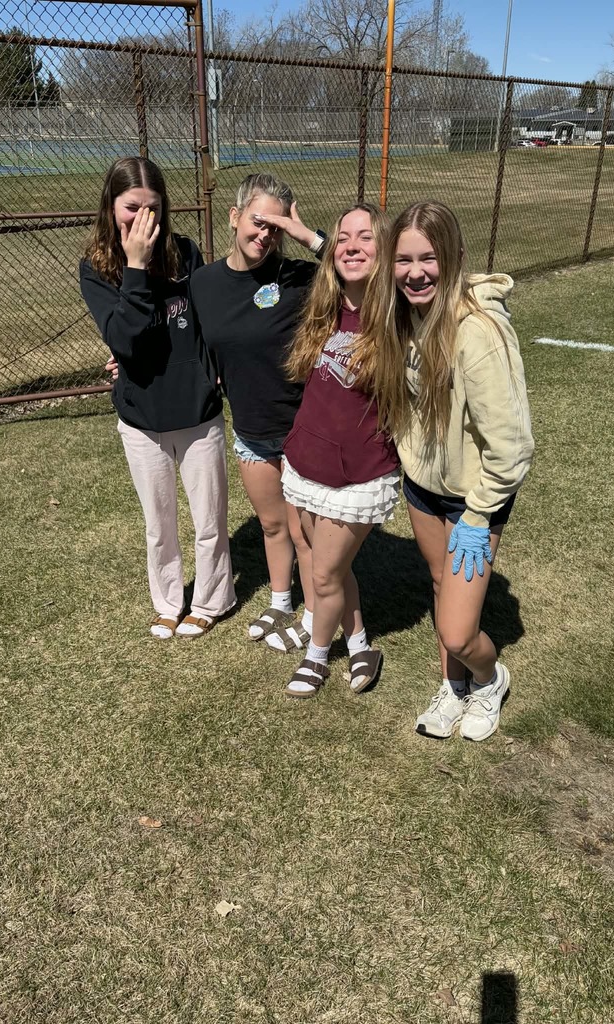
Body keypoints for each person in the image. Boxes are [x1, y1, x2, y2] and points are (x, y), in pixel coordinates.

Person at [362, 200, 533, 740]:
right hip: (423, 490)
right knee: (440, 585)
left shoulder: (477, 333)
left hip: (472, 499)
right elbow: (339, 265)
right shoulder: (403, 315)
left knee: (459, 632)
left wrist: (480, 516)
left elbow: (512, 448)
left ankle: (488, 678)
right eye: (403, 260)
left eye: (429, 258)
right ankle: (453, 688)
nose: (415, 273)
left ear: (455, 256)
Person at [79, 156, 235, 640]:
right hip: (141, 416)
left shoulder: (186, 253)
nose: (143, 220)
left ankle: (212, 599)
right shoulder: (96, 268)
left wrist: (211, 374)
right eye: (131, 208)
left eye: (154, 208)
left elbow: (209, 321)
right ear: (110, 207)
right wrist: (135, 267)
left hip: (195, 410)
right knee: (158, 523)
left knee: (210, 519)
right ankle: (168, 602)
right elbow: (125, 339)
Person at [279, 204, 409, 698]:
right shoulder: (327, 307)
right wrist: (306, 235)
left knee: (324, 571)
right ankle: (359, 643)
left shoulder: (394, 312)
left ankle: (316, 658)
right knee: (329, 563)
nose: (352, 245)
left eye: (366, 238)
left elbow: (432, 286)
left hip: (358, 473)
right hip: (308, 458)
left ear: (388, 253)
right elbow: (336, 259)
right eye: (343, 237)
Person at [190, 173, 325, 649]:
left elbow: (363, 274)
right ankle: (280, 601)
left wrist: (307, 237)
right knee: (272, 525)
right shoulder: (203, 284)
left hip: (300, 430)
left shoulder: (298, 277)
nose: (264, 235)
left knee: (303, 531)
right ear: (234, 217)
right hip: (250, 430)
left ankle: (314, 616)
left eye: (276, 226)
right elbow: (184, 340)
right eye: (257, 221)